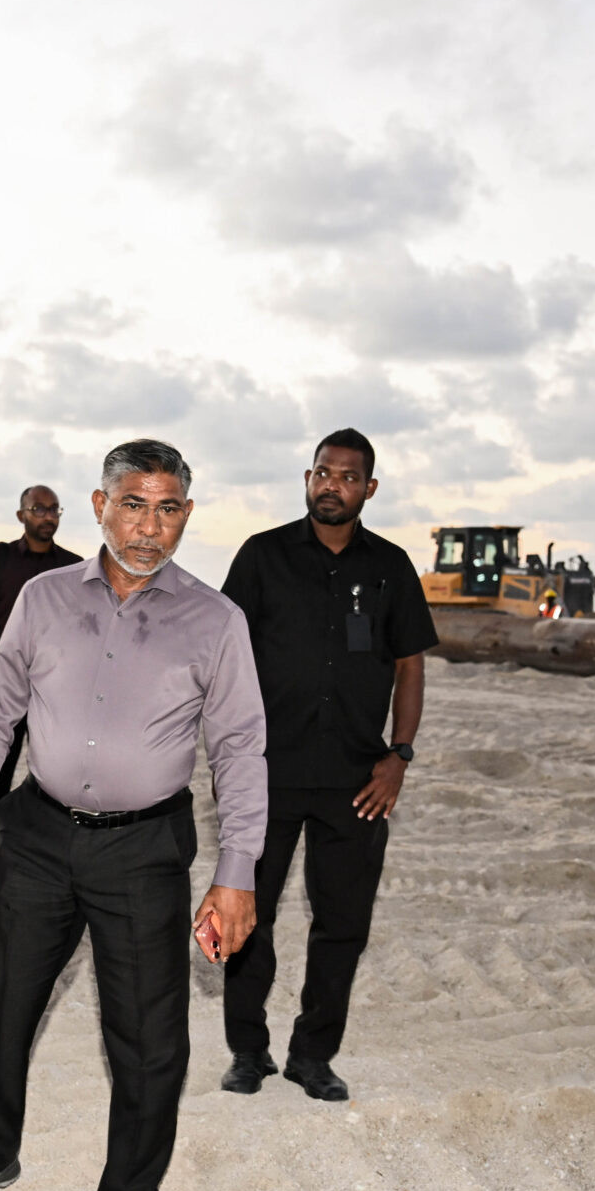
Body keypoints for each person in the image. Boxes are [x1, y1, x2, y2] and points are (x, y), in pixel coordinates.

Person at [0, 439, 265, 1191]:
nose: (149, 527)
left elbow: (238, 750)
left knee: (149, 1038)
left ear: (186, 514)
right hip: (37, 836)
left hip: (143, 848)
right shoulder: (43, 598)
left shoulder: (217, 622)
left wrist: (236, 874)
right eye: (133, 505)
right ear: (99, 506)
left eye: (167, 508)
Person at [216, 429, 435, 1104]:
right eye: (322, 473)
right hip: (266, 770)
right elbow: (225, 654)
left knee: (342, 924)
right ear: (307, 478)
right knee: (247, 913)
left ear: (369, 488)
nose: (331, 485)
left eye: (346, 477)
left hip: (356, 778)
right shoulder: (262, 556)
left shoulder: (392, 567)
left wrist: (399, 755)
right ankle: (247, 1051)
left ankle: (313, 1056)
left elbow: (409, 665)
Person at [0, 484, 78, 869]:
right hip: (4, 687)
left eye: (54, 509)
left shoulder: (72, 567)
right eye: (39, 509)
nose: (48, 517)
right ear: (21, 515)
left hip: (54, 694)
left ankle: (48, 859)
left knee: (56, 779)